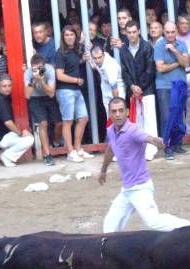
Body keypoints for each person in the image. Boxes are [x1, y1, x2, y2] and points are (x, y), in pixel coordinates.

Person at [99, 97, 190, 233]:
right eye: (114, 111)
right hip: (126, 190)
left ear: (127, 112)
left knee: (154, 222)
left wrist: (157, 141)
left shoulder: (133, 131)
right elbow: (111, 149)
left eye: (121, 110)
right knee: (109, 227)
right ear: (110, 113)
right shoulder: (111, 131)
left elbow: (147, 138)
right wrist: (103, 170)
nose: (118, 114)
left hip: (140, 188)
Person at [120, 20, 159, 161]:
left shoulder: (147, 47)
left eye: (134, 32)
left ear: (139, 32)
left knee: (150, 120)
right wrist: (131, 86)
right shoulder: (123, 50)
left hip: (147, 89)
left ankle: (152, 149)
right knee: (137, 121)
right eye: (129, 32)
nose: (131, 35)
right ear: (126, 33)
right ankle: (140, 149)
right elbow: (124, 71)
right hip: (133, 91)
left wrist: (140, 87)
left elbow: (150, 69)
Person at [55, 26, 93, 163]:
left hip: (76, 90)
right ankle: (70, 151)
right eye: (67, 35)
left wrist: (82, 58)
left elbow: (73, 65)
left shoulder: (75, 51)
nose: (70, 37)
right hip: (65, 90)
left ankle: (77, 149)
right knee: (68, 121)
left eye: (72, 34)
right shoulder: (60, 53)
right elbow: (59, 75)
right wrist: (76, 80)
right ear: (63, 37)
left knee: (83, 118)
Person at [154, 21, 190, 160]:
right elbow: (160, 68)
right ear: (163, 31)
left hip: (180, 84)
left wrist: (174, 51)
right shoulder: (158, 45)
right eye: (167, 32)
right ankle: (167, 147)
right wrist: (177, 63)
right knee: (166, 118)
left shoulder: (182, 44)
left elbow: (186, 64)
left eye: (172, 32)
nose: (170, 35)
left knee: (179, 117)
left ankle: (177, 144)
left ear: (176, 31)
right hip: (164, 86)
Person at [24, 53, 61, 166]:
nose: (38, 70)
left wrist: (42, 81)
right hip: (35, 99)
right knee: (43, 123)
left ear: (44, 66)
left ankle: (55, 143)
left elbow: (51, 93)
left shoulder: (49, 70)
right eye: (35, 68)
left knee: (59, 123)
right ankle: (47, 154)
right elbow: (27, 95)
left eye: (40, 68)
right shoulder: (28, 73)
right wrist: (34, 81)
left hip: (48, 97)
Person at [0, 74, 35, 166]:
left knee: (26, 132)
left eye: (9, 85)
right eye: (4, 86)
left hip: (1, 135)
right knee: (29, 139)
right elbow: (8, 122)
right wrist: (21, 134)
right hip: (1, 138)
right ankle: (6, 156)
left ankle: (4, 152)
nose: (7, 88)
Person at [176, 15, 190, 136]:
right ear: (177, 25)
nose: (185, 25)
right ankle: (181, 132)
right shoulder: (173, 36)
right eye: (182, 23)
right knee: (179, 104)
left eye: (187, 23)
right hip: (179, 73)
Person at [89, 45, 125, 118]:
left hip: (117, 92)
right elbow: (94, 66)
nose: (97, 60)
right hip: (106, 91)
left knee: (118, 116)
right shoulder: (96, 59)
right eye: (95, 58)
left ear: (104, 55)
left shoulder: (110, 65)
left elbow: (115, 88)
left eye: (99, 57)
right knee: (110, 118)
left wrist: (116, 103)